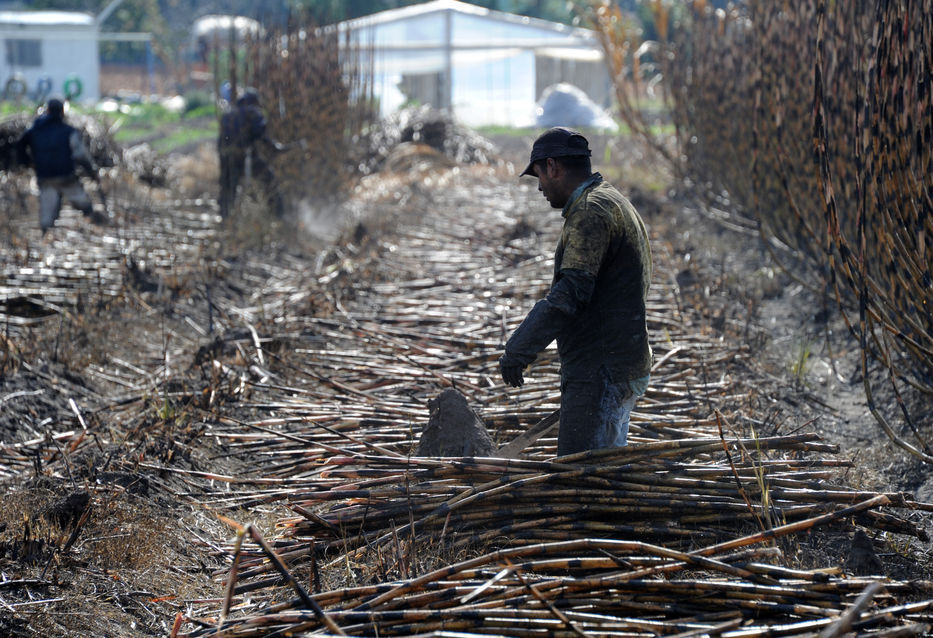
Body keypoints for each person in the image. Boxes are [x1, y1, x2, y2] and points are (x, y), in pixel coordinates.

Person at [499, 127, 652, 456]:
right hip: (619, 362)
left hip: (601, 371)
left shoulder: (590, 212)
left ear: (553, 167)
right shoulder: (610, 200)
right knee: (603, 473)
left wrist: (519, 348)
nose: (539, 185)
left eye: (539, 174)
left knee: (582, 479)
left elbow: (570, 293)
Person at [15, 98, 103, 234]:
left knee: (47, 216)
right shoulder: (69, 131)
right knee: (84, 204)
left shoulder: (34, 130)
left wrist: (27, 162)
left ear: (47, 111)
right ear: (63, 113)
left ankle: (46, 237)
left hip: (45, 177)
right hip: (66, 176)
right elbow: (81, 155)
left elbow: (19, 145)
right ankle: (95, 227)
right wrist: (92, 172)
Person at [217, 89, 285, 218]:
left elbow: (221, 140)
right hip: (244, 157)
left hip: (225, 157)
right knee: (269, 179)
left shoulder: (228, 114)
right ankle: (278, 214)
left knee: (227, 187)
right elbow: (261, 134)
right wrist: (274, 147)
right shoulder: (253, 113)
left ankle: (225, 217)